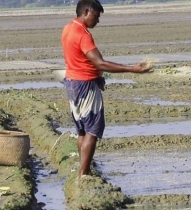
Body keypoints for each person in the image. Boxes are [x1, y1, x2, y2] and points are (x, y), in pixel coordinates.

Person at [61, 0, 152, 180]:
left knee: (82, 130)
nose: (98, 20)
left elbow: (82, 60)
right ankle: (84, 173)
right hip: (85, 85)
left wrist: (98, 76)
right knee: (92, 131)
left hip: (72, 83)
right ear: (86, 12)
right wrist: (132, 69)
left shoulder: (68, 28)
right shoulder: (82, 34)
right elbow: (100, 62)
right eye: (96, 16)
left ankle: (83, 168)